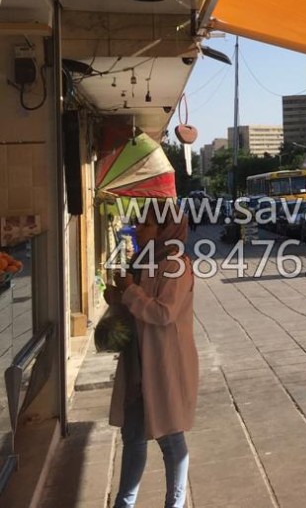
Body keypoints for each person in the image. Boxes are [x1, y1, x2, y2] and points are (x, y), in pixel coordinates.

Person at [106, 211, 198, 508]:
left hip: (163, 364)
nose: (138, 229)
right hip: (137, 365)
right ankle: (124, 503)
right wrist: (117, 295)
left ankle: (175, 503)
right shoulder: (144, 262)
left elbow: (162, 312)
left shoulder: (176, 265)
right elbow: (136, 308)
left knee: (170, 439)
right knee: (133, 437)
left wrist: (129, 290)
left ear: (164, 230)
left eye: (146, 224)